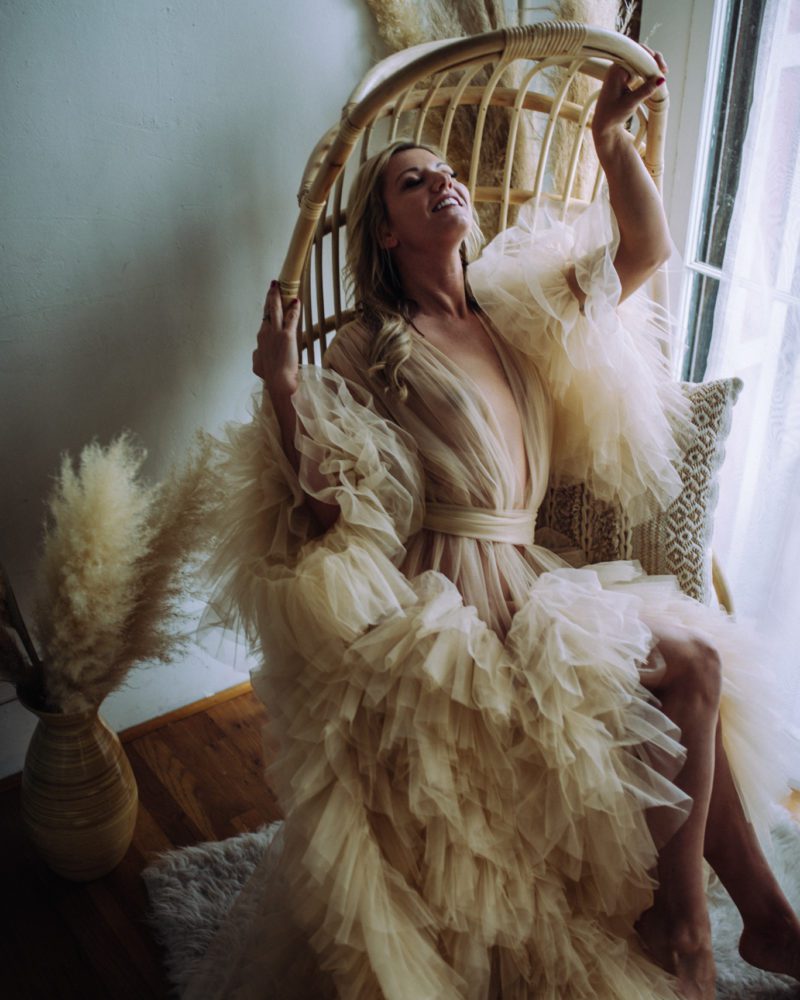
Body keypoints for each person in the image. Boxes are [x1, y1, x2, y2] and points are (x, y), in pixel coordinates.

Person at [196, 49, 800, 1000]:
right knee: (690, 667)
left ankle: (755, 922)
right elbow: (329, 505)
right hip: (450, 597)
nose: (442, 182)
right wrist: (279, 384)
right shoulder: (371, 345)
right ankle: (695, 931)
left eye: (445, 171)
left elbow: (645, 250)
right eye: (412, 180)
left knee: (698, 661)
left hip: (532, 573)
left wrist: (611, 141)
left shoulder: (514, 310)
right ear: (386, 233)